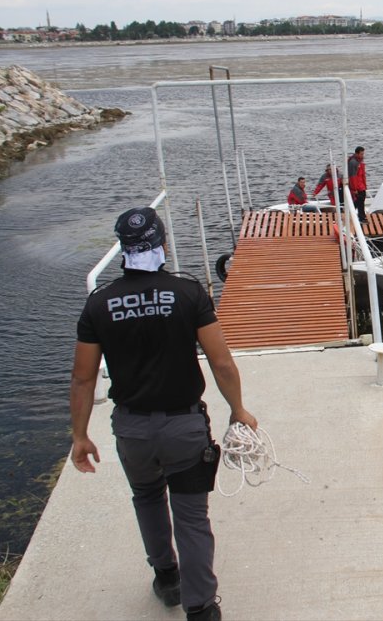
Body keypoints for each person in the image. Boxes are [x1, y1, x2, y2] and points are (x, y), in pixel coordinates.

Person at [69, 206, 258, 621]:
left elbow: (83, 379)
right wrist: (238, 409)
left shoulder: (99, 304)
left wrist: (80, 436)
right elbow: (221, 361)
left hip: (132, 429)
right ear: (162, 244)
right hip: (184, 427)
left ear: (123, 248)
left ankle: (167, 578)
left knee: (147, 498)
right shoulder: (189, 293)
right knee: (192, 518)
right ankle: (201, 607)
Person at [347, 146, 368, 222]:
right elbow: (352, 177)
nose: (363, 155)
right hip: (358, 187)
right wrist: (354, 189)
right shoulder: (353, 162)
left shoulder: (359, 161)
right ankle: (362, 217)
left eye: (363, 154)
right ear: (357, 153)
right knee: (360, 202)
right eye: (361, 154)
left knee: (359, 202)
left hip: (361, 185)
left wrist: (364, 186)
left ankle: (350, 213)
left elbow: (362, 175)